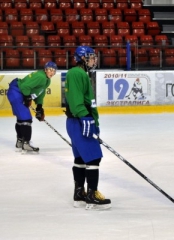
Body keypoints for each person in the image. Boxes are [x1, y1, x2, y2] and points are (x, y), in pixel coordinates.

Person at [64, 46, 111, 210]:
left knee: (81, 159)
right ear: (82, 58)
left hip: (77, 122)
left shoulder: (80, 73)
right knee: (93, 158)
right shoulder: (76, 73)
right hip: (81, 121)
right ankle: (92, 195)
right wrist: (85, 118)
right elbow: (76, 100)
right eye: (91, 56)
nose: (94, 59)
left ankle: (79, 194)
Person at [7, 61, 58, 153]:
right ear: (45, 69)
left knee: (21, 119)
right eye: (50, 70)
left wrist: (39, 106)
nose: (52, 72)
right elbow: (25, 86)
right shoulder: (41, 77)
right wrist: (27, 97)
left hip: (17, 92)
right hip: (16, 92)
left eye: (54, 71)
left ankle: (20, 142)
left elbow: (40, 92)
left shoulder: (47, 80)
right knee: (26, 118)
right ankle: (26, 144)